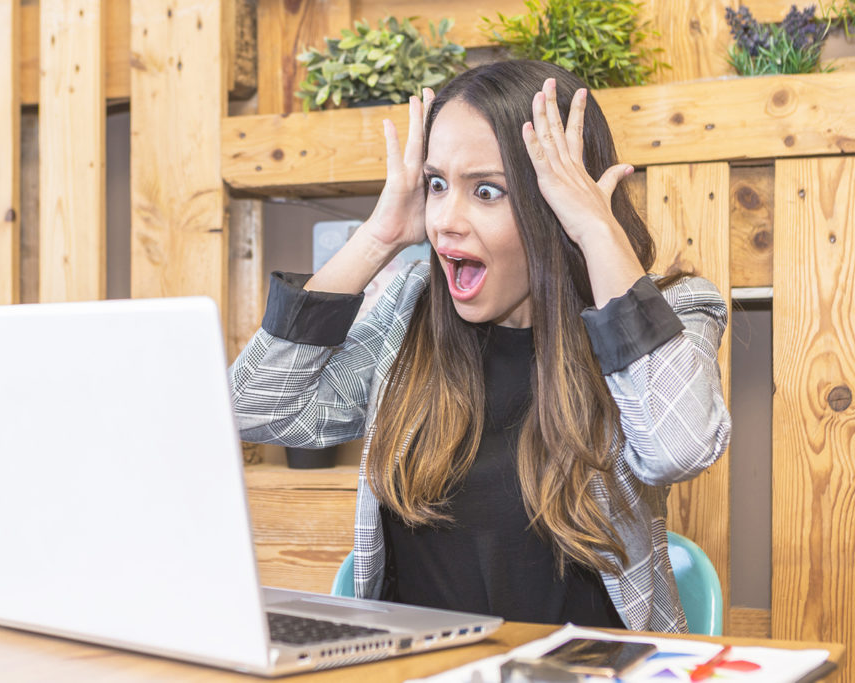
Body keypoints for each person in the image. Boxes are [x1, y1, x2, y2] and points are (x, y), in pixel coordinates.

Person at [229, 60, 730, 633]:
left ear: (560, 202)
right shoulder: (413, 310)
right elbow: (254, 408)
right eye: (437, 185)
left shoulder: (676, 308)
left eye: (487, 191)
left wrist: (596, 232)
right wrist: (380, 237)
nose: (445, 220)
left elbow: (679, 448)